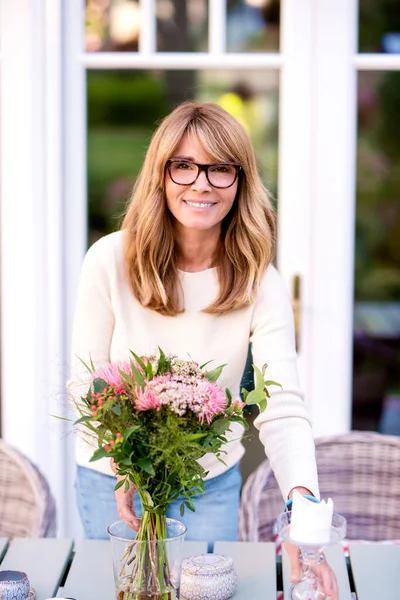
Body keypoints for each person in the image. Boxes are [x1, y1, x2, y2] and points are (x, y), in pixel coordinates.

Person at [68, 101, 338, 597]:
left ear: (240, 181)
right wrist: (127, 462)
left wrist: (304, 517)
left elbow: (281, 405)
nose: (202, 183)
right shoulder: (109, 260)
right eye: (184, 166)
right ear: (162, 174)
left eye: (220, 168)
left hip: (208, 486)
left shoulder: (261, 283)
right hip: (114, 482)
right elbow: (86, 385)